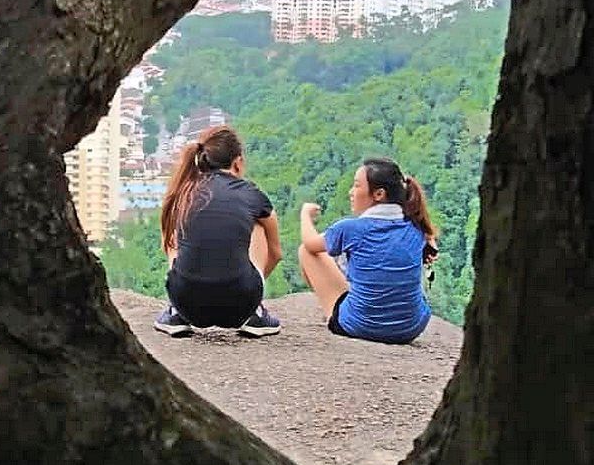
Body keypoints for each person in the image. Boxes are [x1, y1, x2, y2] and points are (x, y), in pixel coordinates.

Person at [153, 126, 284, 338]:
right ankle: (256, 313)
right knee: (258, 224)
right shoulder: (252, 194)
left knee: (177, 231)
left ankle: (175, 312)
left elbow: (167, 245)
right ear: (238, 162)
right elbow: (276, 253)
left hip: (186, 304)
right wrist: (250, 290)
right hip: (240, 307)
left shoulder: (183, 193)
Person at [298, 158, 437, 344]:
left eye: (356, 186)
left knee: (306, 253)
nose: (351, 192)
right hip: (410, 328)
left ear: (379, 194)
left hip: (360, 326)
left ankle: (332, 313)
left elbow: (310, 244)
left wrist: (305, 214)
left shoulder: (351, 228)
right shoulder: (416, 226)